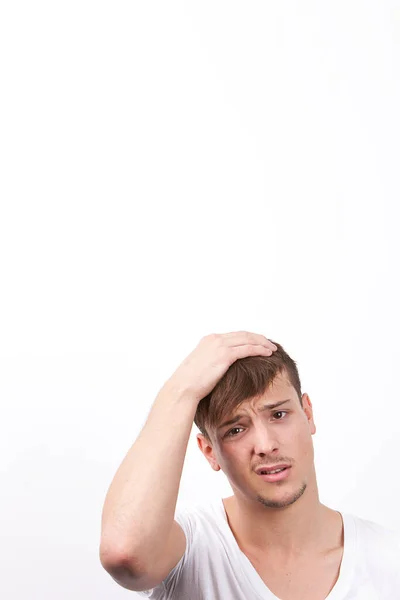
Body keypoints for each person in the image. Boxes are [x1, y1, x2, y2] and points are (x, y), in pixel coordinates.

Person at [99, 331, 400, 599]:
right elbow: (125, 553)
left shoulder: (388, 561)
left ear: (308, 414)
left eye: (279, 415)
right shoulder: (192, 547)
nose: (266, 445)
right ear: (209, 452)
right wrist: (181, 388)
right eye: (236, 430)